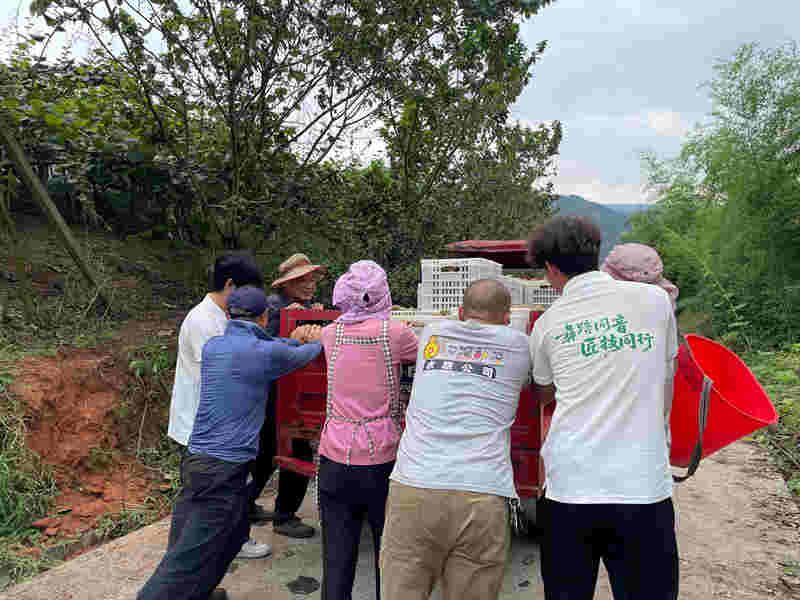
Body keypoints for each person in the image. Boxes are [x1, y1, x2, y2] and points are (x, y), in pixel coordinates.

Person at [527, 216, 679, 600]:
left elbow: (544, 393)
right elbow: (666, 371)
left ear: (551, 268)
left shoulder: (547, 324)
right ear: (595, 252)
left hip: (570, 488)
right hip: (642, 486)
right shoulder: (655, 301)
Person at [138, 286, 323, 600]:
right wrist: (317, 337)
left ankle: (201, 592)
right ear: (264, 317)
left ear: (230, 315)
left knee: (232, 534)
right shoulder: (263, 353)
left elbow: (273, 347)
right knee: (186, 557)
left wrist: (293, 337)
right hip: (222, 470)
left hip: (199, 459)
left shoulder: (215, 346)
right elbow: (305, 353)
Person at [380, 279, 532, 600]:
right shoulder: (519, 345)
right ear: (507, 318)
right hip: (483, 492)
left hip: (414, 484)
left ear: (461, 312)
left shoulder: (432, 334)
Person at [318, 260, 419, 600]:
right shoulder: (396, 334)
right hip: (381, 460)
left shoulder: (330, 334)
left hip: (334, 458)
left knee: (336, 557)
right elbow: (423, 352)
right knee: (387, 555)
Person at [166, 252, 271, 560]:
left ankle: (234, 540)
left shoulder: (223, 317)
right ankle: (184, 554)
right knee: (200, 495)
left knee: (232, 487)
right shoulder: (203, 321)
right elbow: (224, 373)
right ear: (230, 285)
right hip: (203, 425)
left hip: (220, 424)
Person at [248, 253, 326, 538]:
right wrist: (288, 318)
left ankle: (246, 504)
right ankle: (284, 516)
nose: (310, 285)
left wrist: (312, 316)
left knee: (268, 451)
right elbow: (264, 348)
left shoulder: (303, 306)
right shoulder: (273, 307)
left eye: (312, 279)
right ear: (287, 284)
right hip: (277, 393)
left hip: (289, 392)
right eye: (302, 280)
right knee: (294, 449)